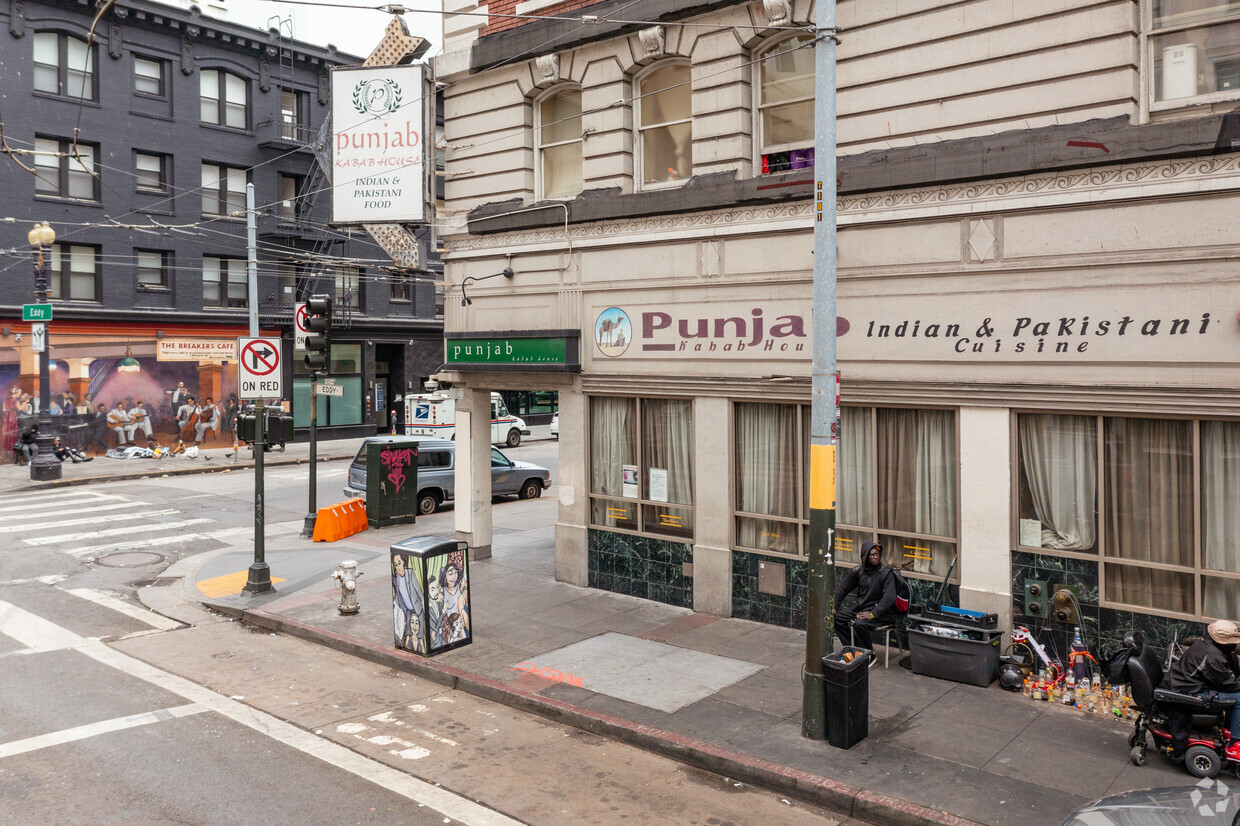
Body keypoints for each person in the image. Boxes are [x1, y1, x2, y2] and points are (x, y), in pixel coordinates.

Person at [1162, 620, 1240, 758]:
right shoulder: (1213, 656)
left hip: (1187, 685)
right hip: (1188, 694)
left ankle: (1230, 730)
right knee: (1238, 698)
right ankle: (1235, 745)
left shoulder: (1206, 643)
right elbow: (1229, 685)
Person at [832, 540, 898, 654]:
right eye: (872, 555)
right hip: (862, 610)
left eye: (877, 554)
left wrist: (873, 614)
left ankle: (868, 654)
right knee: (838, 618)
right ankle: (854, 649)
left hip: (882, 614)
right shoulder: (858, 571)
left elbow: (889, 598)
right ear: (865, 556)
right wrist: (834, 606)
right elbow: (843, 588)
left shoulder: (886, 574)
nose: (876, 557)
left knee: (859, 624)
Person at [2, 386, 20, 461]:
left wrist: (7, 411)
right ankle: (12, 449)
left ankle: (7, 449)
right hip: (12, 417)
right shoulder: (16, 401)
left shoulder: (6, 400)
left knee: (7, 432)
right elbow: (20, 409)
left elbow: (3, 410)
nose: (19, 395)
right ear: (15, 393)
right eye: (19, 393)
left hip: (7, 417)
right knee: (13, 432)